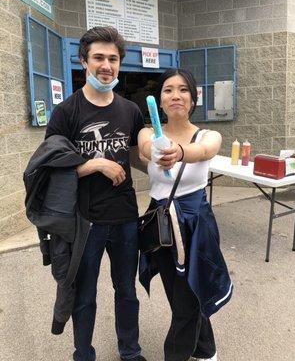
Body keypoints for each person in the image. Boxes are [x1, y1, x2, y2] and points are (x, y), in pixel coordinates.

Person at [45, 26, 147, 361]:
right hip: (85, 220)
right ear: (83, 60)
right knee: (85, 295)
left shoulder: (130, 110)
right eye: (99, 57)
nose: (107, 65)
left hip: (125, 217)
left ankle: (130, 351)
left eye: (113, 58)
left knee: (127, 291)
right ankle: (83, 354)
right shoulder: (67, 112)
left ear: (120, 63)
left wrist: (164, 160)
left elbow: (135, 157)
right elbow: (50, 166)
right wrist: (96, 164)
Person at [138, 69, 233, 361]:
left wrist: (179, 152)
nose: (175, 95)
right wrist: (153, 150)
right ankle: (206, 350)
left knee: (193, 295)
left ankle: (195, 352)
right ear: (160, 100)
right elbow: (142, 149)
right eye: (168, 90)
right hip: (163, 224)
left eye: (183, 90)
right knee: (182, 299)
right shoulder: (147, 133)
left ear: (193, 99)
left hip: (196, 223)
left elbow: (204, 151)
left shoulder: (209, 135)